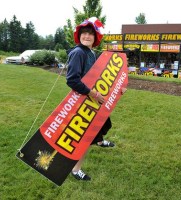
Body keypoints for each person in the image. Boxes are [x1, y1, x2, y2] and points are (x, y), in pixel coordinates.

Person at [66, 17, 126, 181]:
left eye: (90, 34)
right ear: (79, 36)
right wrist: (94, 94)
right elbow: (72, 80)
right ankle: (75, 169)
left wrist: (119, 88)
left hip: (94, 99)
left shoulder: (90, 52)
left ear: (95, 37)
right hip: (83, 101)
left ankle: (100, 142)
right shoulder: (78, 52)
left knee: (103, 124)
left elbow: (99, 76)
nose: (86, 36)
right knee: (85, 138)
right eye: (84, 33)